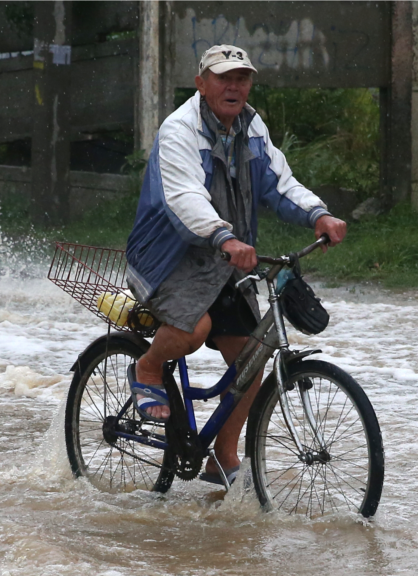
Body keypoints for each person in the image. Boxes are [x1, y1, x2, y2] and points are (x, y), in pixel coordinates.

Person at [124, 44, 347, 486]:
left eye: (241, 78)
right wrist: (224, 236)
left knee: (251, 358)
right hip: (169, 257)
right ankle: (147, 368)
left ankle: (221, 458)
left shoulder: (251, 126)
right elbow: (186, 199)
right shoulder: (179, 132)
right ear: (201, 83)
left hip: (224, 258)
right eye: (223, 77)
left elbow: (279, 181)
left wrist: (317, 213)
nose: (234, 86)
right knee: (195, 328)